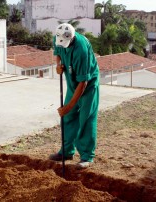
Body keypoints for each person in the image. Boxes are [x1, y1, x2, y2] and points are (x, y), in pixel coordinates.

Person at [49, 23, 100, 169]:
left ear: (71, 38)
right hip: (72, 82)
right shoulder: (58, 37)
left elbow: (83, 83)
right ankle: (66, 152)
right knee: (68, 116)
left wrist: (69, 106)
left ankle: (87, 157)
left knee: (86, 118)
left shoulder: (81, 50)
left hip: (88, 85)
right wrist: (58, 65)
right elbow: (58, 53)